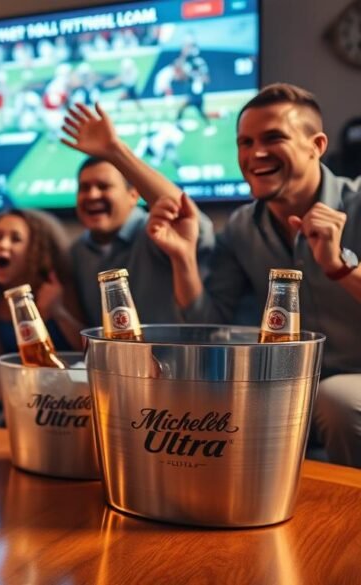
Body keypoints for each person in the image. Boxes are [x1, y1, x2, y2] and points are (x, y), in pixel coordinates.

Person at [138, 83, 361, 466]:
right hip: (289, 389)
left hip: (343, 390)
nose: (255, 154)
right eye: (245, 142)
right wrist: (183, 259)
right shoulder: (241, 228)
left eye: (273, 138)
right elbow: (209, 327)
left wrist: (340, 268)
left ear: (317, 145)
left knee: (336, 399)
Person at [59, 102, 215, 326]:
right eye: (84, 188)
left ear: (134, 195)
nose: (92, 195)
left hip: (174, 361)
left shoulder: (157, 231)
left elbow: (187, 219)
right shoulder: (77, 253)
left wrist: (115, 150)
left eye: (103, 186)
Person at [0, 209, 85, 412]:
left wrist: (58, 311)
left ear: (35, 250)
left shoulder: (56, 286)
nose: (3, 245)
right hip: (21, 393)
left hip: (69, 393)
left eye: (16, 239)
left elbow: (87, 351)